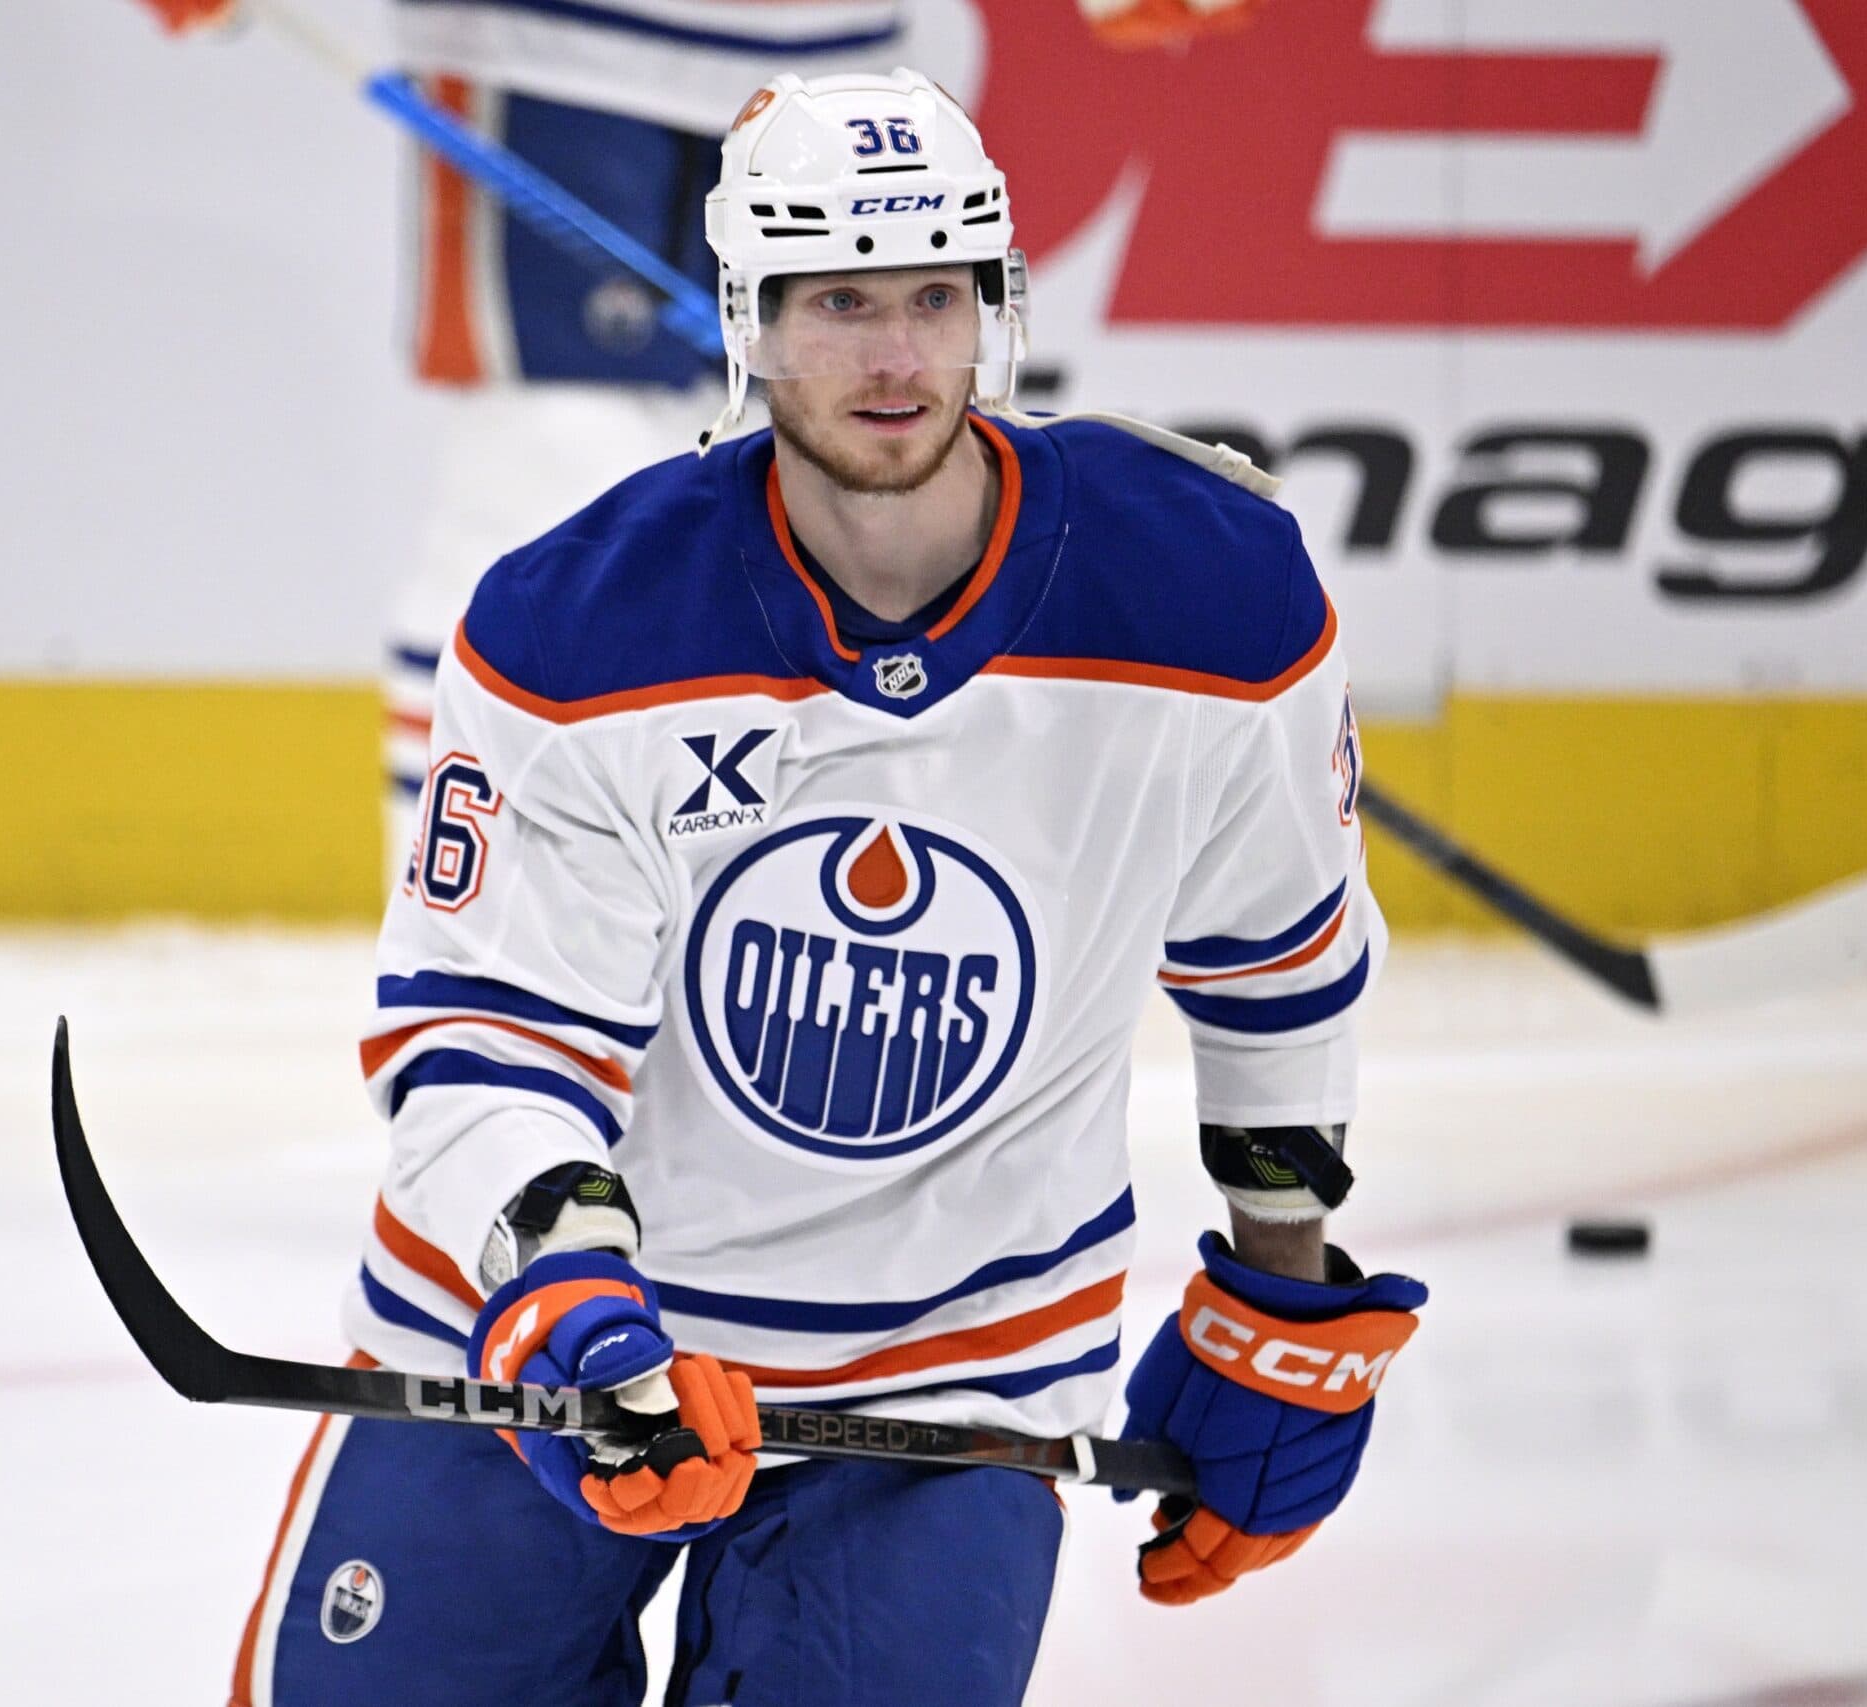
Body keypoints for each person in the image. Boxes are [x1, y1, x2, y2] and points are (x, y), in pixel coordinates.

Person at [231, 67, 1426, 1707]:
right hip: (543, 1349)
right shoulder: (577, 626)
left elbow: (1276, 961)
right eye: (838, 301)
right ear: (748, 318)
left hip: (952, 1370)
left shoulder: (1215, 595)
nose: (892, 357)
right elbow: (487, 1047)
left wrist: (1281, 1290)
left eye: (935, 297)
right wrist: (577, 1301)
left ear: (995, 305)